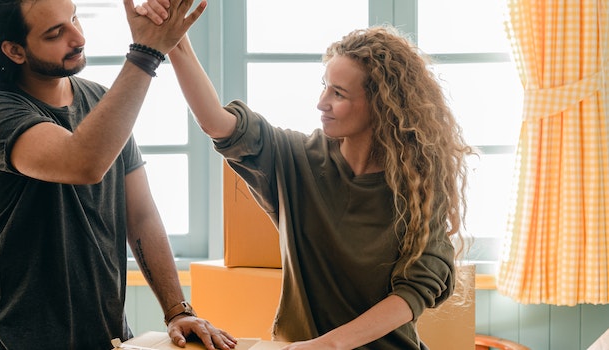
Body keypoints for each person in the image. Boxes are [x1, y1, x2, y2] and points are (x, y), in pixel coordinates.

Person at [137, 2, 473, 349]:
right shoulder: (295, 158)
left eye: (338, 93)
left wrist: (326, 346)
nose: (321, 103)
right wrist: (176, 41)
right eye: (324, 86)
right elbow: (217, 123)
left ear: (381, 105)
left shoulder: (417, 184)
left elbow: (415, 290)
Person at [0, 0, 237, 349]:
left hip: (107, 336)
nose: (78, 37)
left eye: (74, 17)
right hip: (15, 341)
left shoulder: (100, 100)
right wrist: (146, 52)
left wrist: (177, 311)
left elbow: (141, 214)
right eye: (56, 33)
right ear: (15, 50)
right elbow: (83, 162)